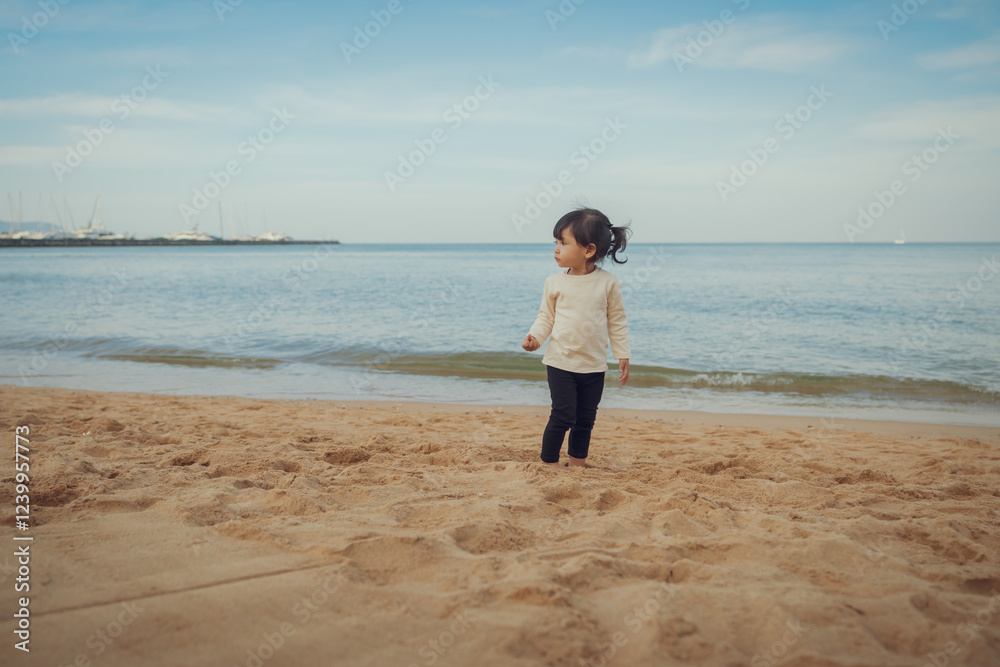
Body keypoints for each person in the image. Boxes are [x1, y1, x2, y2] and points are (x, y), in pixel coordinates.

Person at [522, 207, 631, 469]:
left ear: (589, 250)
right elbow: (546, 317)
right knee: (562, 415)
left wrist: (622, 353)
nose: (557, 248)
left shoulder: (608, 283)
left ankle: (577, 463)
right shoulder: (554, 282)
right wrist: (535, 338)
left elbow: (616, 320)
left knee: (585, 419)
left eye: (563, 242)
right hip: (560, 362)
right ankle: (548, 463)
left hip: (593, 366)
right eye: (556, 242)